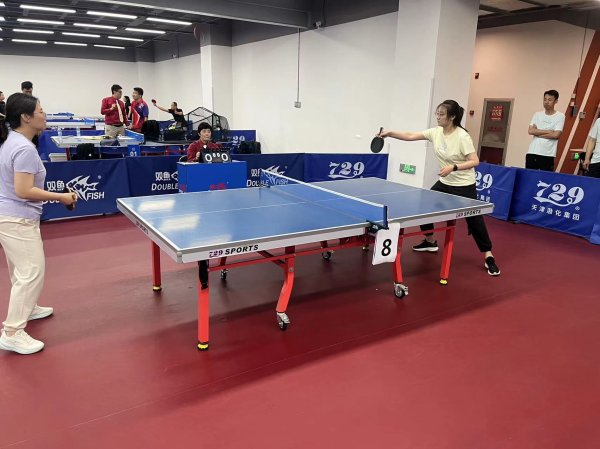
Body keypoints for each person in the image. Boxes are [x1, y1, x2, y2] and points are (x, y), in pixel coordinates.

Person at [379, 99, 500, 276]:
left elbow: (475, 161)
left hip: (464, 185)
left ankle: (488, 256)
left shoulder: (462, 136)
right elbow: (410, 136)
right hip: (445, 183)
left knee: (475, 220)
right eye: (437, 113)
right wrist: (390, 133)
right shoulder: (435, 132)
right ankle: (430, 241)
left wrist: (454, 167)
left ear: (452, 117)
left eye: (441, 114)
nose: (438, 117)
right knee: (423, 206)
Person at [0, 93, 77, 355]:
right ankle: (12, 332)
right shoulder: (24, 148)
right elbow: (23, 190)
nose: (44, 115)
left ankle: (29, 308)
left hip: (9, 216)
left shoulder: (11, 140)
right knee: (31, 271)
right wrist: (61, 197)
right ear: (26, 117)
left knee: (20, 269)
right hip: (17, 218)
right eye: (41, 111)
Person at [525, 90, 565, 171]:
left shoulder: (560, 116)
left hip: (547, 154)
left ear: (556, 101)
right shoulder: (537, 114)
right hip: (532, 152)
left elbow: (556, 135)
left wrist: (537, 132)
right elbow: (530, 131)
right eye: (545, 99)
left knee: (545, 178)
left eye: (550, 100)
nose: (546, 102)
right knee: (529, 176)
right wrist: (549, 131)